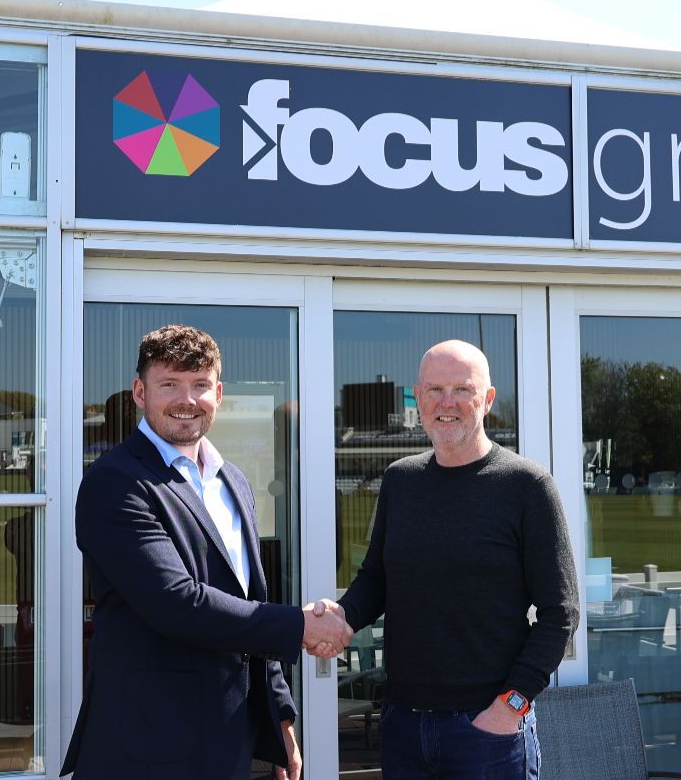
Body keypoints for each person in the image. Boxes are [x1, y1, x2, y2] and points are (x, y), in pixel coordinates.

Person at [63, 324, 350, 780]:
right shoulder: (115, 483)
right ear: (140, 392)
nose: (187, 399)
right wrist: (300, 625)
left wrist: (281, 717)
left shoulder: (232, 481)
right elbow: (176, 602)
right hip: (147, 745)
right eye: (169, 384)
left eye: (199, 385)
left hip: (227, 741)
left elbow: (249, 599)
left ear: (218, 393)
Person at [320, 339, 579, 780]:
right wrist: (341, 616)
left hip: (487, 731)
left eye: (462, 390)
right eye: (435, 390)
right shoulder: (400, 480)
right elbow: (377, 578)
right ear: (418, 398)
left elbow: (561, 613)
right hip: (403, 724)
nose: (447, 403)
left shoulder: (527, 486)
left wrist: (510, 706)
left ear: (488, 399)